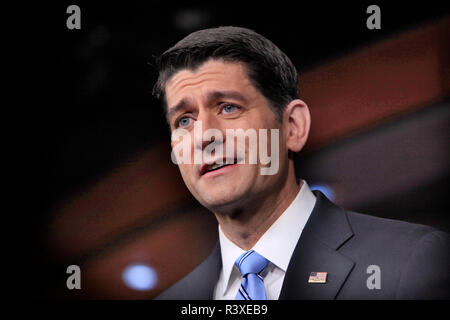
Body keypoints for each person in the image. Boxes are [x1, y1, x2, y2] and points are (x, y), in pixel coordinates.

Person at [152, 26, 449, 299]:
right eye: (185, 120)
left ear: (292, 127)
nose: (204, 136)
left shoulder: (411, 262)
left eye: (229, 107)